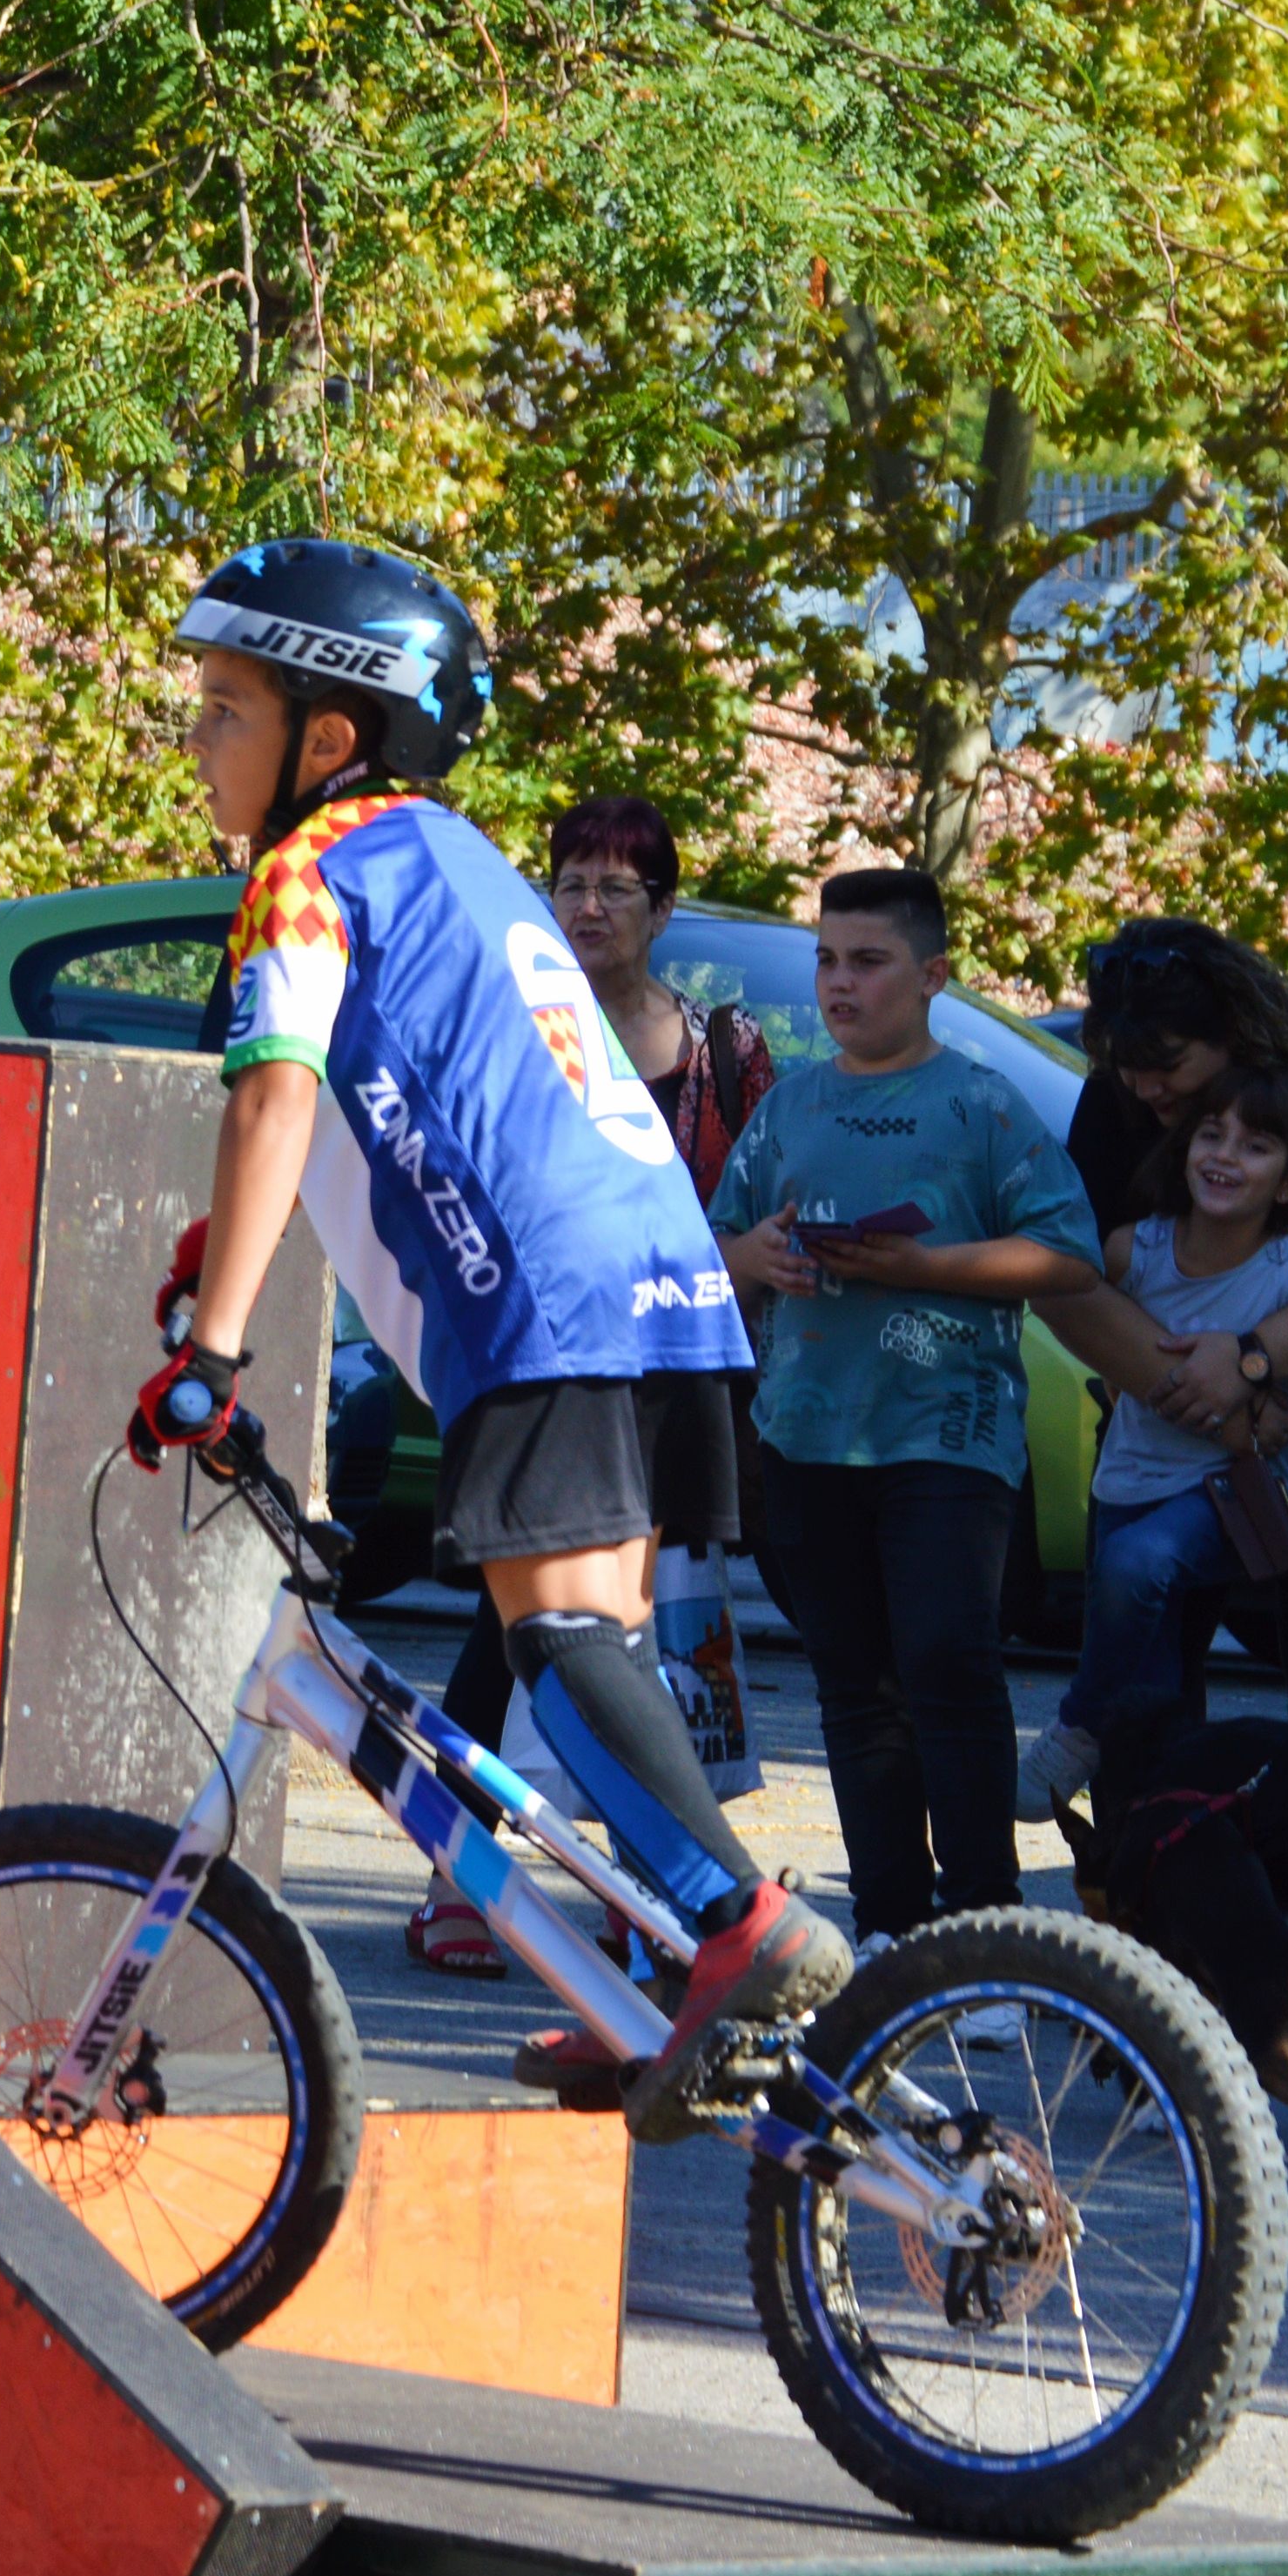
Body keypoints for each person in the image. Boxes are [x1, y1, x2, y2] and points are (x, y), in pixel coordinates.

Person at [148, 541, 837, 2138]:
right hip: (654, 1266)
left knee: (560, 1643)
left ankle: (736, 1930)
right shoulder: (445, 850)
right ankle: (677, 1961)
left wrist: (217, 1354)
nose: (195, 737)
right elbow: (385, 1101)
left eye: (224, 705)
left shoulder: (303, 871)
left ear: (327, 739)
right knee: (592, 1644)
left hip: (541, 1288)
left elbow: (278, 1090)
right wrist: (215, 1256)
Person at [406, 790, 775, 1977]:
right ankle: (457, 1874)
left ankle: (662, 1903)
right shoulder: (511, 1020)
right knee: (508, 1629)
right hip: (544, 1352)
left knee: (657, 1633)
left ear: (664, 909)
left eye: (620, 887)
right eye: (571, 881)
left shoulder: (725, 1051)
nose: (590, 905)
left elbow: (753, 1206)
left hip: (673, 1368)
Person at [707, 869, 1105, 1972]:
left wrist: (926, 1264)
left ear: (931, 976)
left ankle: (984, 1928)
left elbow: (1068, 1255)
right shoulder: (789, 1104)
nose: (840, 981)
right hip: (806, 1436)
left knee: (947, 1663)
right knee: (855, 1682)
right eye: (828, 959)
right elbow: (717, 1243)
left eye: (867, 960)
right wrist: (762, 1256)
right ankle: (889, 1921)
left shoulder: (978, 1101)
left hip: (948, 1437)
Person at [1069, 920, 1288, 1750]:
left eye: (1167, 1068)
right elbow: (1068, 1272)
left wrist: (1255, 1360)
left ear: (1234, 1035)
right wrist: (1208, 1403)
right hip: (1158, 1449)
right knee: (1140, 1722)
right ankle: (1144, 1873)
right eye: (1126, 1066)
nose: (1145, 1087)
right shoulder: (1118, 1096)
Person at [1018, 1068, 1288, 1817]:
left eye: (1255, 1146)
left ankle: (1079, 1724)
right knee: (1154, 1711)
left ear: (1287, 1183)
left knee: (1137, 1563)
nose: (1225, 1156)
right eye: (1211, 1135)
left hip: (1233, 1493)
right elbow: (1090, 1327)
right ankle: (1154, 1862)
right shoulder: (1134, 1252)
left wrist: (1271, 1405)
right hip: (1128, 1480)